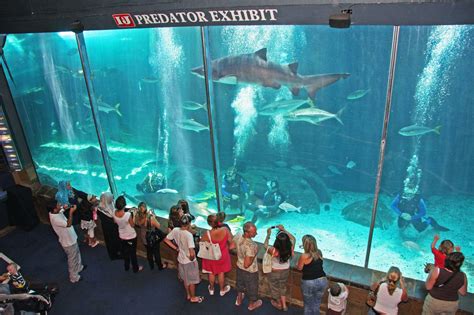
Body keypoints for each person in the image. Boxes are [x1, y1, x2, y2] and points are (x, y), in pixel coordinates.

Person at [164, 214, 204, 303]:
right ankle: (193, 297)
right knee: (192, 281)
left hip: (181, 259)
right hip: (189, 261)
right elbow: (191, 252)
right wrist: (192, 258)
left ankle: (188, 294)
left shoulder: (175, 230)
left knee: (186, 279)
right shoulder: (188, 235)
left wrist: (176, 248)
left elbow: (166, 240)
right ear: (189, 223)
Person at [49, 202, 85, 283]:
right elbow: (68, 224)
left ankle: (79, 267)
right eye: (58, 205)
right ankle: (73, 277)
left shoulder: (54, 212)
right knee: (72, 259)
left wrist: (65, 207)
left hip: (71, 238)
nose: (60, 205)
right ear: (54, 209)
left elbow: (61, 210)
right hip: (68, 242)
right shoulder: (55, 219)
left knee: (77, 253)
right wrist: (71, 212)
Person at [264, 224, 295, 311]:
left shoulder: (273, 250)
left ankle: (278, 303)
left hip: (274, 271)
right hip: (285, 270)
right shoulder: (290, 247)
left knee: (274, 287)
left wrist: (268, 234)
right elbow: (293, 238)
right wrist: (284, 230)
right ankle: (284, 305)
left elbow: (265, 245)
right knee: (283, 286)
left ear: (276, 242)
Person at [200, 214, 233, 297]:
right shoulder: (225, 230)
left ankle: (211, 289)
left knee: (211, 272)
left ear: (209, 224)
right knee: (221, 273)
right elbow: (232, 243)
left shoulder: (207, 234)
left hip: (211, 256)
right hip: (222, 255)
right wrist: (226, 248)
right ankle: (222, 290)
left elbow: (201, 242)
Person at [233, 222, 262, 311]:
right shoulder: (251, 245)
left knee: (240, 283)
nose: (256, 233)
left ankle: (239, 299)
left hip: (239, 266)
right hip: (250, 271)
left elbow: (231, 246)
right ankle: (251, 304)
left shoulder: (238, 235)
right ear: (247, 233)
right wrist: (255, 253)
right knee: (252, 287)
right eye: (254, 232)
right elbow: (246, 265)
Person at [297, 234, 327, 315]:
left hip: (309, 282)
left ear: (304, 245)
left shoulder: (304, 256)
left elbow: (299, 268)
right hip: (322, 280)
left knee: (308, 305)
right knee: (316, 304)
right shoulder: (319, 252)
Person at [113, 196, 143, 273]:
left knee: (125, 252)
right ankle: (135, 268)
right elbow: (132, 225)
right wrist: (134, 214)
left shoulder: (114, 213)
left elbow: (115, 222)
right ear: (124, 205)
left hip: (122, 236)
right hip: (131, 236)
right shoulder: (127, 215)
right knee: (132, 253)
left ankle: (126, 266)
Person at [134, 202, 167, 270]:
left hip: (144, 237)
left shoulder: (137, 216)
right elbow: (158, 226)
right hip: (152, 238)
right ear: (146, 209)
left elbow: (136, 222)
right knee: (156, 252)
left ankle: (151, 265)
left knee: (149, 252)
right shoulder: (150, 218)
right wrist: (153, 216)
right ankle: (160, 266)